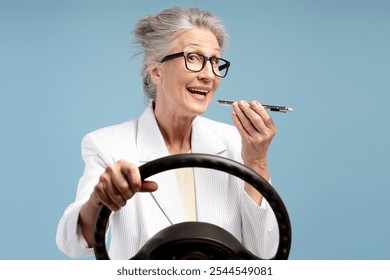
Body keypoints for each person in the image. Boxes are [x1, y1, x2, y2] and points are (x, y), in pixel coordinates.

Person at [56, 7, 279, 259]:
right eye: (193, 57)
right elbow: (72, 243)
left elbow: (266, 254)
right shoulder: (107, 144)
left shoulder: (237, 143)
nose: (208, 75)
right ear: (156, 71)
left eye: (215, 61)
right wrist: (99, 197)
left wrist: (257, 162)